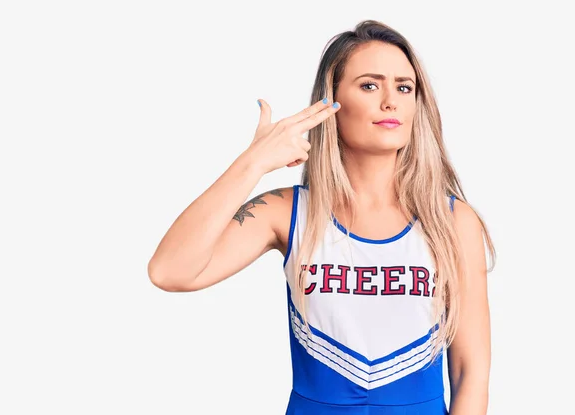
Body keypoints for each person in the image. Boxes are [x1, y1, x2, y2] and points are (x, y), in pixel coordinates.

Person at [147, 19, 496, 415]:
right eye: (369, 85)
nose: (390, 101)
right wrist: (253, 163)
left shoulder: (451, 221)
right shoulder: (288, 211)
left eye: (404, 87)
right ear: (331, 101)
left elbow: (471, 373)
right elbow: (170, 271)